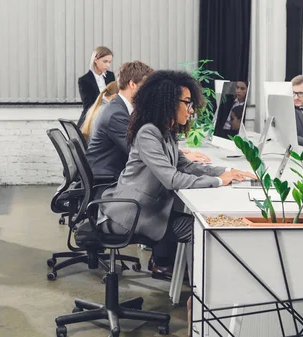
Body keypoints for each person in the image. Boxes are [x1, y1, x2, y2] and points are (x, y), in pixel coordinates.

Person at [98, 70, 256, 275]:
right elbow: (171, 179)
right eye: (187, 103)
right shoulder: (148, 133)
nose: (191, 110)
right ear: (169, 103)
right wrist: (218, 181)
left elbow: (187, 166)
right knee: (200, 230)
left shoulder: (165, 131)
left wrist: (228, 171)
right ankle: (197, 298)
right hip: (130, 215)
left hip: (147, 208)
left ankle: (196, 290)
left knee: (201, 224)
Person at [85, 61, 154, 177]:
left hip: (111, 171)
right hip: (106, 177)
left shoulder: (121, 108)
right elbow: (137, 151)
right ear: (132, 84)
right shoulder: (116, 114)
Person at [77, 46, 115, 126]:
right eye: (105, 61)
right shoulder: (84, 80)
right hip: (91, 120)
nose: (108, 65)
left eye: (109, 62)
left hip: (108, 117)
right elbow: (88, 106)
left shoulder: (110, 76)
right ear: (96, 60)